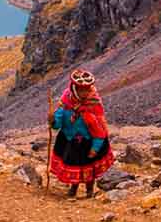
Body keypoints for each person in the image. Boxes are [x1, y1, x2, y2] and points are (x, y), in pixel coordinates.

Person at [49, 69, 115, 197]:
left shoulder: (93, 103)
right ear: (74, 88)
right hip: (70, 140)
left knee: (89, 167)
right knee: (75, 166)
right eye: (81, 90)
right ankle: (73, 189)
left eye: (86, 89)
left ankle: (89, 191)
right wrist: (52, 120)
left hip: (88, 141)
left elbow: (99, 129)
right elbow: (57, 124)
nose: (84, 93)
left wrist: (95, 148)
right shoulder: (65, 103)